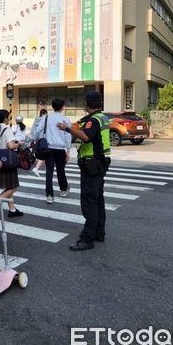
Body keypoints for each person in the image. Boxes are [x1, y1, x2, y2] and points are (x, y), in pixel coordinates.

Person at [57, 91, 110, 251]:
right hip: (101, 162)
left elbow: (86, 137)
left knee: (89, 201)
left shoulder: (93, 121)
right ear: (100, 104)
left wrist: (67, 128)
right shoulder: (103, 117)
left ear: (87, 104)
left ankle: (87, 239)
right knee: (98, 199)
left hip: (92, 163)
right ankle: (98, 233)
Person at [33, 99, 72, 204]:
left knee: (49, 172)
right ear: (62, 107)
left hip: (48, 149)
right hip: (60, 150)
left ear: (52, 106)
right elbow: (68, 136)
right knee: (61, 170)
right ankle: (63, 189)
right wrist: (68, 151)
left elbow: (37, 131)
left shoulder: (46, 118)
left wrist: (38, 140)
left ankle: (49, 196)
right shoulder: (65, 119)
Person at [0, 109, 23, 218]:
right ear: (5, 118)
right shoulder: (7, 129)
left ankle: (12, 210)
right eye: (9, 117)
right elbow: (11, 146)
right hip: (8, 161)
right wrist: (19, 144)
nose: (9, 119)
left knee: (10, 186)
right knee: (13, 187)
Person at [31, 109, 48, 177]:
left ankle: (46, 169)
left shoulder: (36, 119)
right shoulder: (46, 119)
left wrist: (34, 139)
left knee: (44, 154)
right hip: (45, 139)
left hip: (38, 139)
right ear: (46, 113)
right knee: (45, 154)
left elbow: (34, 129)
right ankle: (37, 168)